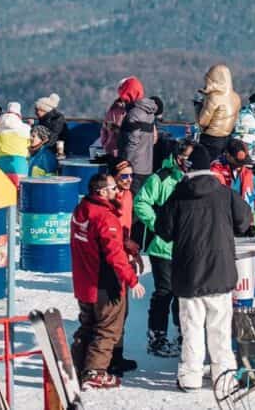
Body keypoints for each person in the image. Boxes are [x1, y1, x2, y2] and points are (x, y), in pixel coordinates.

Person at [155, 146, 253, 392]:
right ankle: (225, 378)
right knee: (220, 330)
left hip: (189, 275)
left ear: (189, 167)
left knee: (192, 330)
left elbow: (163, 230)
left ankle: (190, 378)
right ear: (209, 167)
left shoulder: (178, 195)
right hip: (220, 272)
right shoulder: (224, 193)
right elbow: (244, 221)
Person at [70, 173, 145, 389]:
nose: (117, 191)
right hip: (104, 283)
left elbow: (101, 242)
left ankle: (75, 365)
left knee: (88, 325)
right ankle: (95, 372)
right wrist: (132, 280)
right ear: (102, 192)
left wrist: (125, 243)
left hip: (84, 281)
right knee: (108, 328)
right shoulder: (104, 216)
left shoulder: (81, 209)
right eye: (113, 188)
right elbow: (114, 256)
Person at [133, 141, 191, 358]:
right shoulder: (162, 177)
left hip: (186, 246)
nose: (189, 164)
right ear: (177, 158)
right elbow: (141, 202)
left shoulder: (194, 178)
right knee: (164, 292)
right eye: (185, 158)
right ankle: (157, 336)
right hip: (163, 247)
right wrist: (157, 224)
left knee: (183, 294)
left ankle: (182, 334)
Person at [110, 160, 142, 377]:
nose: (129, 180)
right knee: (114, 310)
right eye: (124, 177)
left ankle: (117, 355)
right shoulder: (111, 200)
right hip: (114, 259)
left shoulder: (129, 196)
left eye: (131, 176)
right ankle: (108, 357)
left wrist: (133, 251)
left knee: (124, 311)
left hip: (126, 254)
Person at [195, 64, 241, 162]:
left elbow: (202, 122)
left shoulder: (214, 97)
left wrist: (198, 106)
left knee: (204, 166)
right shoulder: (236, 97)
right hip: (226, 139)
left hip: (210, 139)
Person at [117, 95, 158, 196]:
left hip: (134, 167)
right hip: (146, 166)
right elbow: (151, 138)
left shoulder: (133, 113)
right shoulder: (150, 113)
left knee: (130, 198)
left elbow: (132, 142)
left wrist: (126, 164)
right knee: (141, 200)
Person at [101, 77, 144, 162]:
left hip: (120, 154)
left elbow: (105, 128)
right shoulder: (140, 111)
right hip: (122, 155)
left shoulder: (114, 109)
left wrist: (106, 143)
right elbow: (105, 128)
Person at [0, 102, 31, 188]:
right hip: (20, 165)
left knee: (4, 192)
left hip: (1, 164)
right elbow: (30, 146)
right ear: (19, 115)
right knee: (20, 192)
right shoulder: (26, 128)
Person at [211, 139, 255, 207]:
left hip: (242, 213)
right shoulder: (216, 170)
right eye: (237, 162)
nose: (240, 165)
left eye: (242, 162)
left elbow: (253, 195)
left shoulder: (247, 172)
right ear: (227, 155)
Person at [35, 93, 67, 159]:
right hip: (45, 147)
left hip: (57, 148)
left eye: (39, 110)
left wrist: (39, 147)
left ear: (45, 110)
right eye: (36, 110)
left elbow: (53, 137)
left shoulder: (57, 119)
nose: (36, 112)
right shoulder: (43, 119)